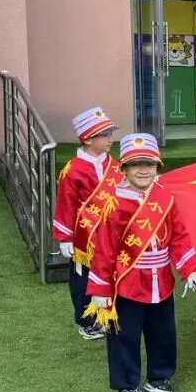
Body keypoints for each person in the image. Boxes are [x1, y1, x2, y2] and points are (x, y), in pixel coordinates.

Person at [86, 133, 196, 392]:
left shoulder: (164, 197)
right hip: (127, 283)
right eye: (136, 164)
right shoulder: (114, 203)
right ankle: (127, 387)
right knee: (124, 337)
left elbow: (179, 236)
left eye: (149, 164)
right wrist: (101, 289)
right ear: (124, 168)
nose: (143, 170)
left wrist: (191, 269)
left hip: (161, 280)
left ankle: (159, 377)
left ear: (157, 166)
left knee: (163, 332)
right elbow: (104, 249)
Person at [51, 107, 123, 340]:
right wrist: (65, 237)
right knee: (83, 279)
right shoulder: (73, 169)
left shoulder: (115, 165)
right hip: (85, 236)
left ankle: (109, 314)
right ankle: (87, 321)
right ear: (88, 139)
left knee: (112, 273)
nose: (110, 139)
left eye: (110, 134)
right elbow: (66, 203)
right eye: (104, 135)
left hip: (112, 233)